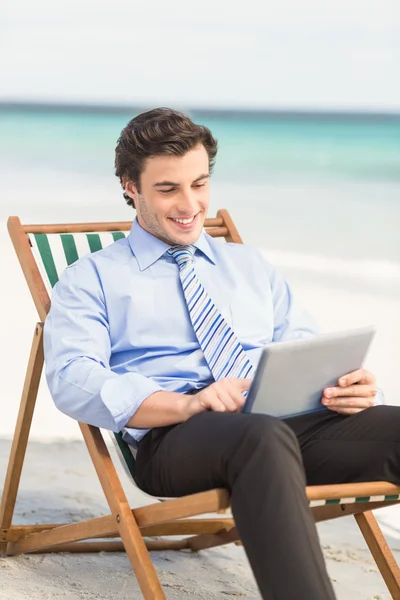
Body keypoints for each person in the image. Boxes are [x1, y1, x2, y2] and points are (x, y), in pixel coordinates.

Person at [44, 107, 400, 600]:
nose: (190, 205)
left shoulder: (248, 265)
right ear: (131, 186)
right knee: (260, 436)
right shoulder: (93, 278)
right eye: (168, 189)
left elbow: (302, 344)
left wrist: (354, 386)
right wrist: (188, 403)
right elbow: (72, 376)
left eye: (200, 184)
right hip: (178, 436)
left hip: (285, 427)